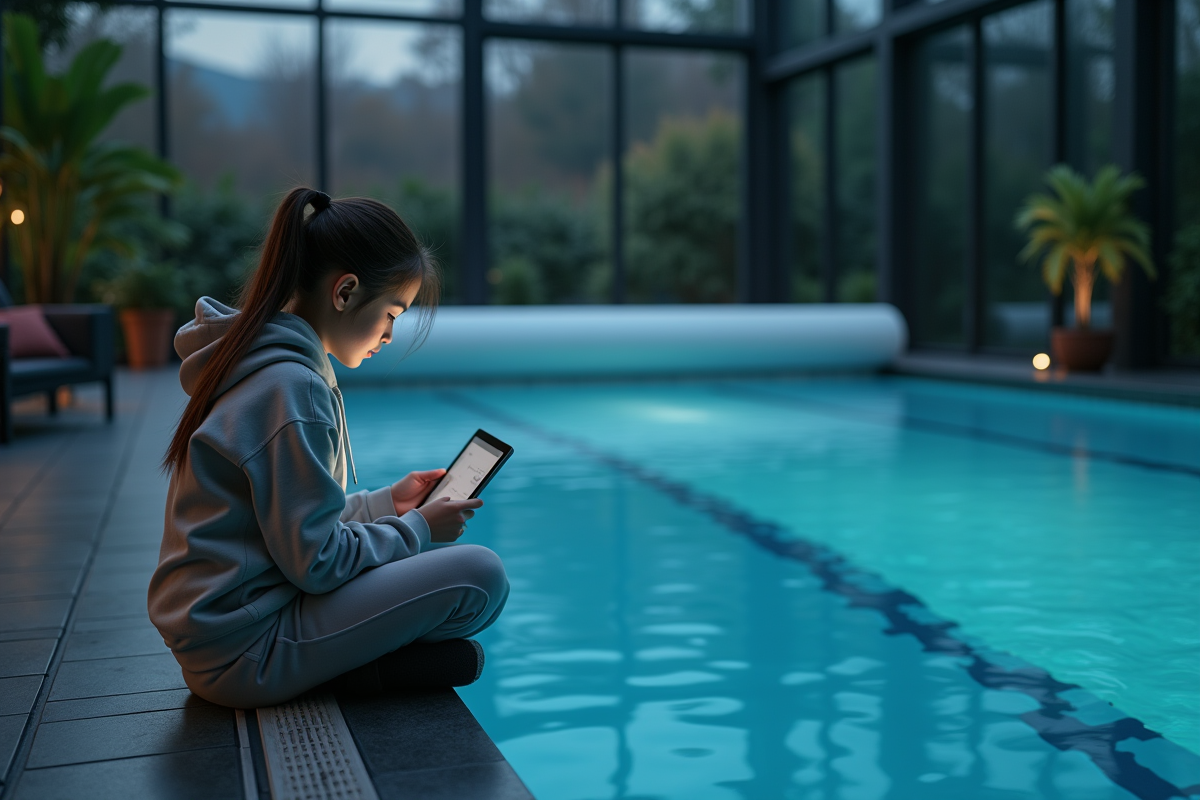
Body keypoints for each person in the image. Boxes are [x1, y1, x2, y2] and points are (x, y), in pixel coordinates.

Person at [147, 187, 509, 709]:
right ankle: (357, 671)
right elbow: (317, 564)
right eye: (391, 312)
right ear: (344, 293)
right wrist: (418, 530)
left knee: (455, 576)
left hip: (225, 636)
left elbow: (284, 530)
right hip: (248, 651)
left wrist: (389, 504)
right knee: (482, 578)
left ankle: (359, 663)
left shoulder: (263, 365)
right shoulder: (292, 387)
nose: (389, 335)